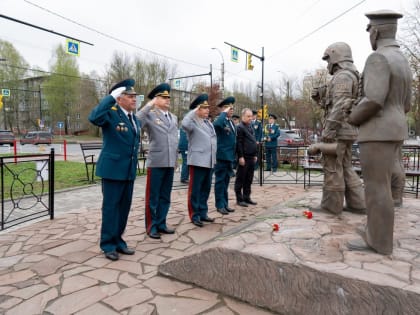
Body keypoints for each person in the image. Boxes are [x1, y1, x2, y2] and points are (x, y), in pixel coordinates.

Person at [347, 10, 412, 255]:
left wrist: (353, 116)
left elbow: (373, 99)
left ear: (375, 31)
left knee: (376, 187)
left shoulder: (378, 58)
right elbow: (407, 104)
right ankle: (377, 233)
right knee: (382, 185)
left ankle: (378, 241)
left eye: (369, 30)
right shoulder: (402, 60)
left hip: (378, 131)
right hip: (395, 127)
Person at [309, 42, 366, 215]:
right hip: (347, 130)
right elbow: (333, 104)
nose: (328, 64)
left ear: (336, 57)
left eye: (328, 60)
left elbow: (340, 105)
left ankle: (331, 207)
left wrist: (329, 130)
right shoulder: (349, 75)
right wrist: (320, 97)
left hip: (338, 131)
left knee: (332, 167)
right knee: (346, 166)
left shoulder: (343, 77)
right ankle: (358, 204)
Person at [88, 78, 140, 261]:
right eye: (130, 96)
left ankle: (118, 240)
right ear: (119, 98)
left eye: (135, 96)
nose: (134, 99)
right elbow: (94, 118)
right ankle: (108, 244)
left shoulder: (134, 118)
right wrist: (110, 97)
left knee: (124, 208)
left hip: (128, 171)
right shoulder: (110, 113)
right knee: (111, 208)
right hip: (112, 170)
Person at [136, 83, 178, 239]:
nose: (167, 100)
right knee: (153, 196)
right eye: (163, 97)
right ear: (156, 99)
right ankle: (151, 226)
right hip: (156, 161)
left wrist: (175, 162)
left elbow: (174, 140)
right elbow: (136, 121)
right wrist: (149, 105)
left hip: (169, 161)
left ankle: (161, 223)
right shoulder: (150, 115)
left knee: (165, 196)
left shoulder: (173, 117)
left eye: (168, 97)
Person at [182, 94, 217, 227]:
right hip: (197, 160)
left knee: (205, 189)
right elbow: (184, 123)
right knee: (195, 190)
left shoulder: (208, 122)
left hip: (208, 160)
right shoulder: (192, 122)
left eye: (207, 107)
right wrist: (193, 112)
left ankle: (203, 212)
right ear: (197, 109)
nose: (207, 110)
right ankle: (194, 215)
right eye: (203, 108)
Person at [213, 96, 237, 215]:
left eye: (232, 108)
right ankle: (219, 205)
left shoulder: (230, 122)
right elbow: (217, 125)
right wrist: (223, 113)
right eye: (228, 107)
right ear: (223, 109)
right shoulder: (220, 120)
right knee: (220, 181)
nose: (231, 110)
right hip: (221, 157)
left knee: (226, 182)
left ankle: (225, 204)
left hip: (229, 157)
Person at [235, 108, 258, 207]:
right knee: (241, 178)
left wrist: (255, 154)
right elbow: (239, 143)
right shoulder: (240, 127)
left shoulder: (250, 127)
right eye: (248, 116)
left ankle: (247, 197)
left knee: (249, 179)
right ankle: (239, 199)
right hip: (244, 157)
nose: (250, 118)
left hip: (251, 157)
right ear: (243, 116)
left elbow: (253, 141)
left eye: (251, 116)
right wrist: (240, 157)